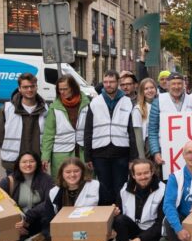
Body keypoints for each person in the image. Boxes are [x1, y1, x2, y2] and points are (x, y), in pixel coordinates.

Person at [22, 158, 115, 241]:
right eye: (68, 172)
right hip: (62, 234)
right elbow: (47, 218)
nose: (72, 175)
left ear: (82, 171)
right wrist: (50, 236)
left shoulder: (95, 186)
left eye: (76, 171)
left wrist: (110, 231)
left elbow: (107, 210)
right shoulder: (54, 192)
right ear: (62, 173)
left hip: (86, 233)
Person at [85, 70, 138, 206]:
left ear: (118, 83)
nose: (108, 85)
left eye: (112, 82)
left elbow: (132, 132)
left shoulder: (127, 102)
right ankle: (105, 218)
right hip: (99, 152)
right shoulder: (95, 102)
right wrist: (87, 156)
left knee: (120, 187)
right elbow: (88, 130)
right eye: (106, 82)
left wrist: (133, 157)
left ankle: (119, 216)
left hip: (121, 152)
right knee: (104, 188)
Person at [114, 158, 166, 241]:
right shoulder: (125, 188)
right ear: (133, 175)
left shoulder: (162, 190)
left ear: (152, 172)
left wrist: (140, 239)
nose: (143, 177)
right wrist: (113, 221)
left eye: (146, 173)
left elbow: (160, 224)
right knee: (119, 220)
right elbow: (118, 211)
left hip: (151, 229)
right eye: (139, 174)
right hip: (133, 226)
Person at [0, 72, 48, 174]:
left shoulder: (46, 109)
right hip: (13, 162)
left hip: (37, 162)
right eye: (25, 87)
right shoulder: (7, 108)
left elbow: (49, 135)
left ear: (36, 87)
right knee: (14, 189)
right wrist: (8, 146)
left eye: (32, 86)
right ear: (19, 88)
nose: (29, 90)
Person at [41, 75, 90, 178]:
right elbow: (48, 134)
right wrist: (45, 156)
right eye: (60, 89)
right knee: (63, 184)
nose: (62, 92)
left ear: (73, 88)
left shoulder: (87, 104)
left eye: (65, 89)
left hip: (83, 153)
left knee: (85, 183)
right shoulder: (54, 108)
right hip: (61, 155)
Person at [0, 152, 53, 222]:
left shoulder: (46, 179)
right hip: (16, 222)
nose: (28, 164)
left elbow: (49, 201)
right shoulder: (8, 181)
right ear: (18, 164)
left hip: (39, 221)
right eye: (24, 162)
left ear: (37, 163)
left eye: (32, 161)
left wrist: (27, 217)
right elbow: (1, 204)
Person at [131, 78, 158, 159]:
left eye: (152, 87)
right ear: (142, 91)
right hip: (148, 145)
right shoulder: (138, 109)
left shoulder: (162, 104)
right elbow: (138, 135)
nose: (150, 90)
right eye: (146, 89)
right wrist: (142, 157)